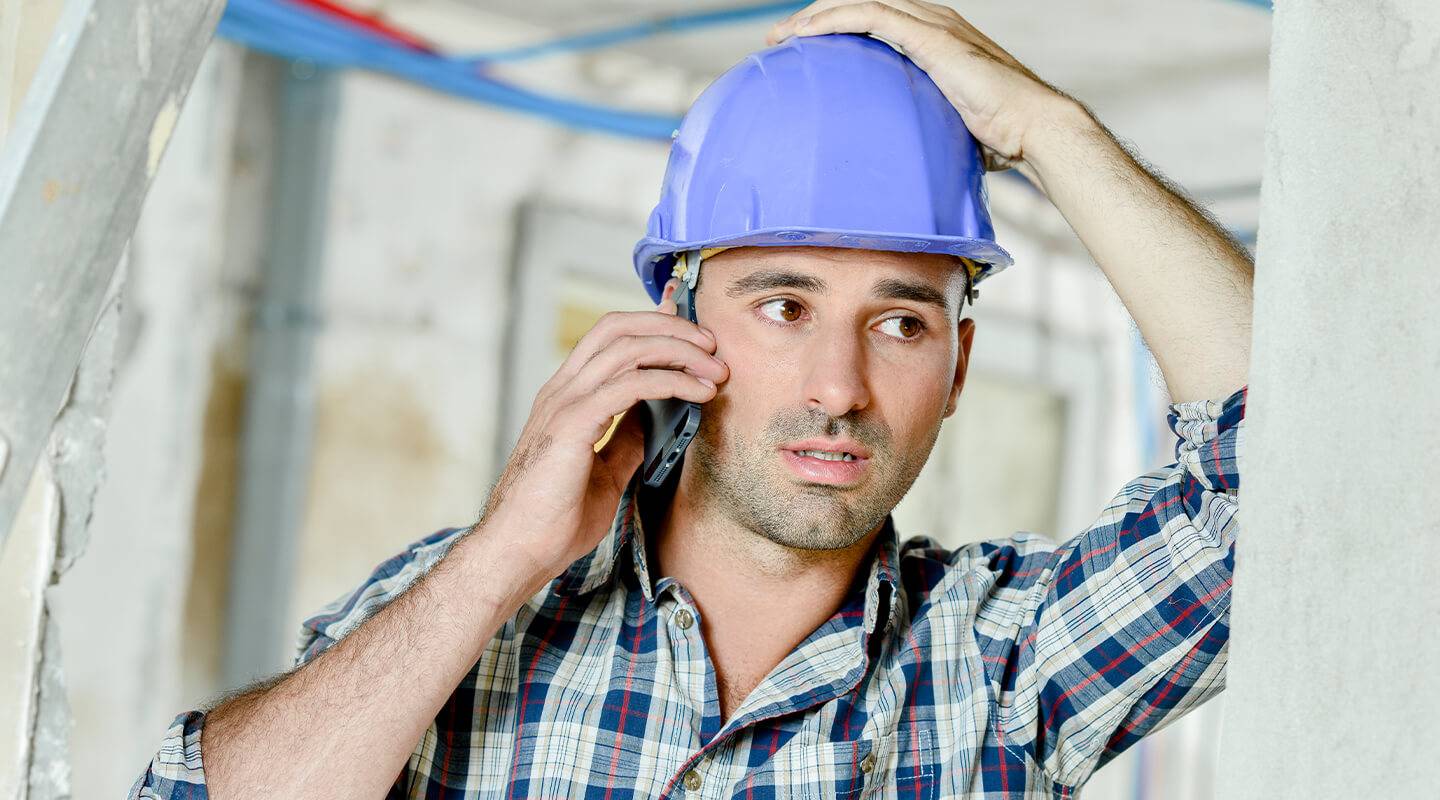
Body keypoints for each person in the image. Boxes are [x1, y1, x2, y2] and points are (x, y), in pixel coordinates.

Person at [132, 2, 1251, 797]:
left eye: (901, 321)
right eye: (783, 304)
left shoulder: (1003, 667)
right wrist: (491, 560)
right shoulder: (473, 618)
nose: (838, 386)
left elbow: (1288, 472)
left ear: (958, 366)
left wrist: (1054, 133)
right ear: (677, 319)